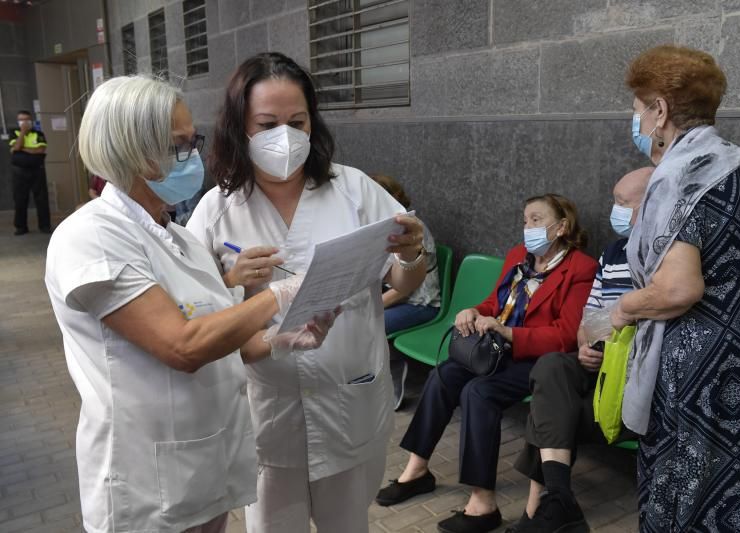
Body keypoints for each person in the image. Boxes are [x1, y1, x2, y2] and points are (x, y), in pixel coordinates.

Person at [44, 75, 335, 533]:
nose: (194, 155)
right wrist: (283, 293)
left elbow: (226, 343)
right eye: (180, 145)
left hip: (201, 469)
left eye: (192, 140)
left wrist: (281, 341)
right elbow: (183, 346)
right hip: (145, 482)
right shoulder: (93, 237)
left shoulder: (178, 238)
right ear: (135, 152)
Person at [185, 52, 426, 533]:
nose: (285, 137)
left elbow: (403, 282)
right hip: (269, 413)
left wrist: (410, 255)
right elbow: (195, 316)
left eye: (297, 121)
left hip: (348, 397)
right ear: (239, 127)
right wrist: (233, 282)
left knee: (348, 524)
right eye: (267, 123)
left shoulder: (355, 189)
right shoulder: (216, 211)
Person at [611, 45, 740, 531]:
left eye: (640, 107)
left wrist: (624, 307)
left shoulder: (679, 176)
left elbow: (678, 289)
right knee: (735, 485)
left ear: (659, 109)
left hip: (693, 369)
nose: (638, 118)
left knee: (684, 491)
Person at [375, 194, 598, 533]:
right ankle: (417, 471)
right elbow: (495, 302)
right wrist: (474, 311)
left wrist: (507, 332)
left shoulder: (580, 269)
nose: (528, 228)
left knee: (479, 393)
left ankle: (483, 503)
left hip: (539, 362)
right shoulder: (517, 257)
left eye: (537, 220)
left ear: (562, 226)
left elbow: (566, 336)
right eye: (525, 220)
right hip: (497, 351)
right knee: (445, 374)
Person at [505, 167, 653, 533]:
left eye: (622, 203)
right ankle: (558, 499)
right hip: (597, 362)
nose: (614, 210)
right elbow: (589, 316)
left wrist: (617, 331)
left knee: (551, 412)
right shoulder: (612, 253)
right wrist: (586, 342)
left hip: (634, 375)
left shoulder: (665, 253)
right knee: (552, 367)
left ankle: (544, 509)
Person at [371, 174, 441, 410]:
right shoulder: (382, 229)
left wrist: (372, 306)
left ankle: (395, 365)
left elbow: (405, 289)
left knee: (370, 323)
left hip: (422, 304)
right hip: (399, 298)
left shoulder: (410, 231)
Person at [8, 110, 50, 235]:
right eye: (21, 120)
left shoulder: (38, 133)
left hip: (37, 171)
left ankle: (45, 226)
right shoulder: (14, 132)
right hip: (19, 172)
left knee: (41, 199)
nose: (24, 122)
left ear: (31, 120)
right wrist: (22, 133)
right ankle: (21, 227)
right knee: (20, 199)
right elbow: (16, 148)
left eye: (26, 119)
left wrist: (22, 149)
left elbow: (41, 150)